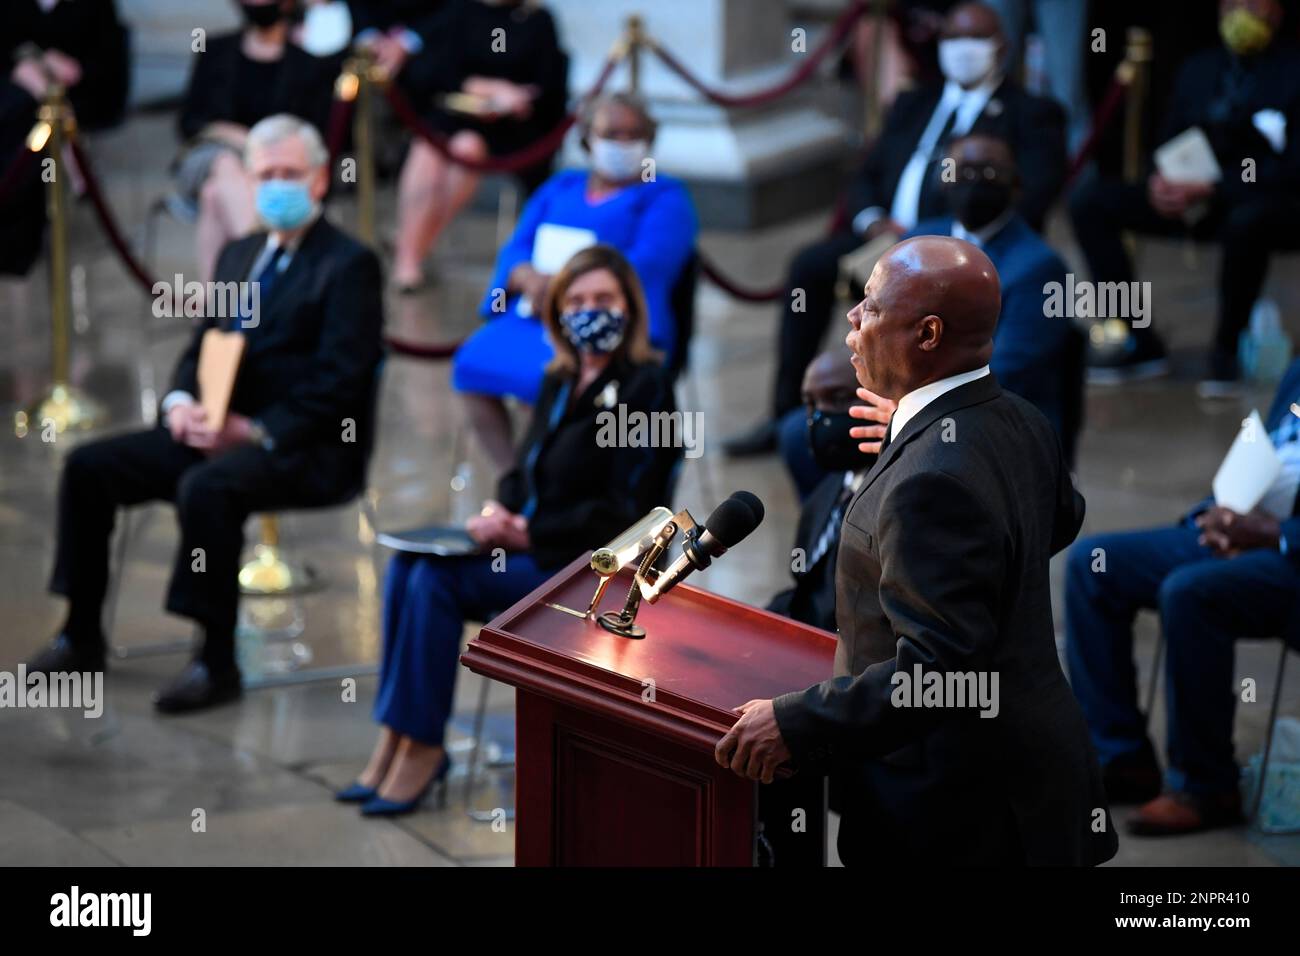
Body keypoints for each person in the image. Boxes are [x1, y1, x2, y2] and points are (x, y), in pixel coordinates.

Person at [714, 236, 1117, 866]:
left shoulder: (931, 479)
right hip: (1029, 775)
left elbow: (935, 675)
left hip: (960, 812)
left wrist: (795, 723)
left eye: (871, 307)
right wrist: (910, 434)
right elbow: (1057, 519)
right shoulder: (1017, 419)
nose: (851, 319)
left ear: (927, 334)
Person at [26, 115, 384, 714]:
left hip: (306, 447)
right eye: (265, 174)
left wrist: (255, 430)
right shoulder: (242, 253)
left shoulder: (348, 265)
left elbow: (341, 383)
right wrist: (180, 405)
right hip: (216, 426)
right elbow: (202, 347)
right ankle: (80, 630)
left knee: (206, 488)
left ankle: (214, 660)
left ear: (320, 181)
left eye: (289, 174)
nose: (276, 186)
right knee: (88, 467)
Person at [338, 245, 681, 816]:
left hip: (590, 571)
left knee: (435, 584)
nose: (590, 311)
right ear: (557, 312)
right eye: (577, 300)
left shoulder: (649, 388)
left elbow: (637, 515)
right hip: (535, 547)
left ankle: (422, 745)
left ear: (630, 308)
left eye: (604, 299)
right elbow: (521, 474)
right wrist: (500, 512)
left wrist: (531, 532)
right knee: (409, 566)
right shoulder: (559, 378)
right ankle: (397, 737)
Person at [724, 1, 1067, 457]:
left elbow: (1035, 191)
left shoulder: (1032, 111)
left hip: (960, 241)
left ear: (1001, 48)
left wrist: (947, 230)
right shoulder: (914, 100)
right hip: (888, 237)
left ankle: (901, 400)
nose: (962, 50)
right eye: (952, 40)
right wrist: (871, 222)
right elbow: (866, 174)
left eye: (975, 40)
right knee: (809, 266)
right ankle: (792, 407)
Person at [1065, 357, 1300, 836]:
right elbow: (1273, 447)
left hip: (1290, 550)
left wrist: (1276, 534)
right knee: (1094, 564)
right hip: (1249, 525)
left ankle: (1205, 785)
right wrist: (1217, 513)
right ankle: (1121, 756)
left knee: (1190, 594)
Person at [778, 134, 1080, 499]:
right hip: (912, 395)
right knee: (804, 430)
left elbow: (1003, 370)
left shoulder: (1039, 267)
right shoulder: (920, 236)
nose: (974, 183)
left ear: (1015, 185)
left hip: (985, 418)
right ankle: (839, 531)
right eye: (962, 172)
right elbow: (878, 323)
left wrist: (907, 411)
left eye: (988, 173)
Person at [452, 93, 698, 475]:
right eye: (611, 133)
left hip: (609, 323)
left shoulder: (663, 196)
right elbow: (517, 246)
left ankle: (552, 474)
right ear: (587, 139)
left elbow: (648, 265)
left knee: (548, 379)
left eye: (634, 134)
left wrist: (566, 291)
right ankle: (516, 476)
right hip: (535, 316)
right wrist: (525, 276)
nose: (623, 143)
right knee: (473, 362)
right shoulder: (561, 186)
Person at [1069, 0, 1300, 392]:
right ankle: (1137, 339)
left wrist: (1217, 186)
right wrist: (1163, 181)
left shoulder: (1294, 71)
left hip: (1267, 201)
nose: (1242, 12)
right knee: (1091, 201)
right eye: (1232, 3)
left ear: (1277, 10)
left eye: (1253, 2)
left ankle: (1226, 350)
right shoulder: (1199, 68)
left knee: (1248, 222)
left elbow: (1293, 168)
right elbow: (1170, 139)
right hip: (1193, 197)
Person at [390, 0, 569, 291]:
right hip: (456, 116)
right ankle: (408, 255)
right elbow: (433, 71)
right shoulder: (459, 11)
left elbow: (549, 87)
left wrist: (513, 99)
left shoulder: (537, 20)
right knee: (430, 147)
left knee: (467, 149)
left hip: (510, 130)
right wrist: (485, 88)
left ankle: (413, 246)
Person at [176, 0, 341, 281]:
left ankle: (214, 309)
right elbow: (189, 121)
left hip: (276, 164)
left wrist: (265, 148)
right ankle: (268, 271)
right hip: (215, 153)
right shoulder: (214, 50)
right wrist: (237, 137)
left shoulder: (308, 64)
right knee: (224, 164)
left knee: (214, 195)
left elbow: (318, 132)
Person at [1, 0, 129, 277]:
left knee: (36, 114)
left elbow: (110, 70)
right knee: (25, 106)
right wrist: (30, 62)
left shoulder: (95, 7)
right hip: (17, 109)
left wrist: (70, 70)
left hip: (78, 100)